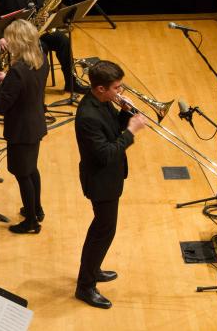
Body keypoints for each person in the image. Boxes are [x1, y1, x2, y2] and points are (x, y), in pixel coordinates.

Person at [74, 60, 146, 309]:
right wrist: (132, 131)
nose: (120, 92)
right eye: (116, 88)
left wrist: (126, 113)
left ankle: (92, 271)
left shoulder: (102, 102)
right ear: (101, 88)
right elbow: (105, 153)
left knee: (101, 231)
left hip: (109, 178)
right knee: (103, 232)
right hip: (100, 182)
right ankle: (85, 286)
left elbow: (113, 129)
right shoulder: (88, 116)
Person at [0, 20, 48, 234]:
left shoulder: (18, 70)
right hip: (35, 123)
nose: (5, 42)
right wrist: (8, 79)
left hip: (21, 129)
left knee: (22, 173)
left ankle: (32, 222)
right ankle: (36, 209)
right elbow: (29, 84)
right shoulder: (40, 59)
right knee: (31, 169)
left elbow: (1, 106)